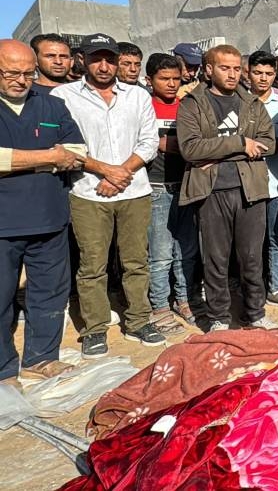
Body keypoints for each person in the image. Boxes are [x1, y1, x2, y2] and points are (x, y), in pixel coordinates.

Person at [53, 34, 164, 357]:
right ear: (82, 60)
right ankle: (95, 328)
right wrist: (105, 170)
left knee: (136, 261)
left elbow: (148, 141)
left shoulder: (137, 96)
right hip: (89, 192)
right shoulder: (64, 96)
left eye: (109, 59)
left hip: (134, 191)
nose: (104, 66)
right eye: (96, 59)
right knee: (92, 265)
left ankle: (139, 320)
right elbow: (64, 147)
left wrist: (121, 173)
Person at [0, 39, 86, 388]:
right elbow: (60, 156)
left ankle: (42, 357)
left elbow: (77, 152)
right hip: (4, 223)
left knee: (50, 292)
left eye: (27, 73)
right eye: (11, 73)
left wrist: (13, 160)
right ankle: (3, 369)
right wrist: (49, 157)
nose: (21, 80)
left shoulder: (51, 104)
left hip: (49, 218)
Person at [176, 44, 277, 332]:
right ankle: (219, 317)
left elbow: (268, 144)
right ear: (209, 70)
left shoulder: (252, 103)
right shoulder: (192, 103)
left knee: (252, 257)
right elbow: (190, 148)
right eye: (224, 68)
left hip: (250, 190)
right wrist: (240, 144)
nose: (232, 74)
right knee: (216, 260)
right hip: (212, 192)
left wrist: (217, 153)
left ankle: (254, 313)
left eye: (235, 68)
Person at [144, 54, 199, 336]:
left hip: (186, 185)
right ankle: (159, 307)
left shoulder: (186, 106)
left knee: (186, 251)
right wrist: (169, 143)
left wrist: (173, 143)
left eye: (176, 79)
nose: (171, 84)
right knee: (161, 254)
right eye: (164, 79)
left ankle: (184, 299)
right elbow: (145, 142)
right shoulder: (144, 107)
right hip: (156, 187)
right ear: (149, 80)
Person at [245, 51, 278, 307]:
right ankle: (252, 291)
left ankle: (276, 286)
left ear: (275, 75)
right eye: (258, 73)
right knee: (251, 243)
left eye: (268, 73)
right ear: (248, 73)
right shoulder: (239, 103)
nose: (263, 78)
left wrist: (267, 144)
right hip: (248, 185)